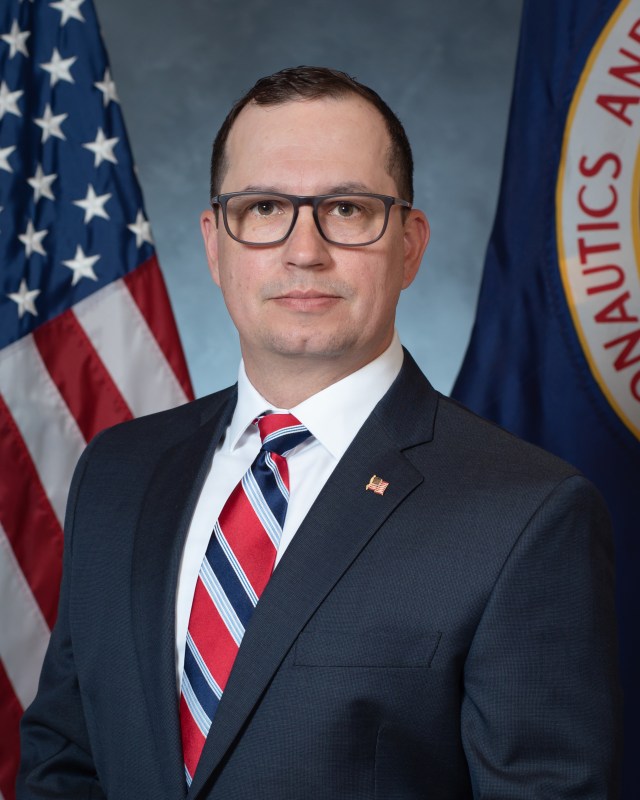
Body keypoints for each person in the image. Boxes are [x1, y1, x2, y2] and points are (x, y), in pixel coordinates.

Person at [18, 66, 622, 799]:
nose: (304, 250)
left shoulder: (528, 514)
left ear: (410, 243)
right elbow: (65, 765)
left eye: (346, 208)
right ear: (215, 244)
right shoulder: (117, 472)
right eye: (265, 206)